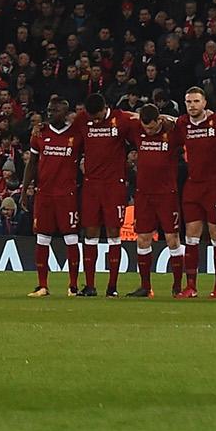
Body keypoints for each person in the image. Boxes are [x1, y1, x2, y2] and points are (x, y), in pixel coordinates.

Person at [76, 95, 137, 296]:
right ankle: (90, 285)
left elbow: (141, 129)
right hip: (91, 185)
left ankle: (112, 287)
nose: (94, 120)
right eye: (91, 117)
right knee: (90, 233)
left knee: (113, 233)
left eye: (98, 115)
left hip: (114, 186)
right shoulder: (82, 119)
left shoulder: (122, 119)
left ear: (105, 108)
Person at [21, 96, 81, 297]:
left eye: (54, 110)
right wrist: (24, 189)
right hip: (44, 194)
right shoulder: (40, 134)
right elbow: (32, 163)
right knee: (42, 239)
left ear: (65, 112)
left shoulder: (77, 134)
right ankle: (42, 285)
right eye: (48, 110)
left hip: (67, 195)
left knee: (71, 239)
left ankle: (73, 286)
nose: (50, 113)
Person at [178, 87, 216, 298]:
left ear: (204, 103)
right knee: (191, 234)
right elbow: (166, 120)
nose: (192, 105)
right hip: (193, 185)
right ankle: (191, 286)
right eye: (189, 101)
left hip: (214, 186)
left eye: (196, 101)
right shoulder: (182, 124)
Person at [128, 103, 184, 298]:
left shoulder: (173, 132)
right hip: (143, 194)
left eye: (152, 127)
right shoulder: (137, 128)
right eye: (146, 127)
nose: (148, 130)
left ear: (159, 120)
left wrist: (171, 119)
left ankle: (177, 287)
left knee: (172, 238)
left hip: (167, 193)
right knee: (142, 238)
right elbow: (124, 115)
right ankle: (145, 286)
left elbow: (187, 123)